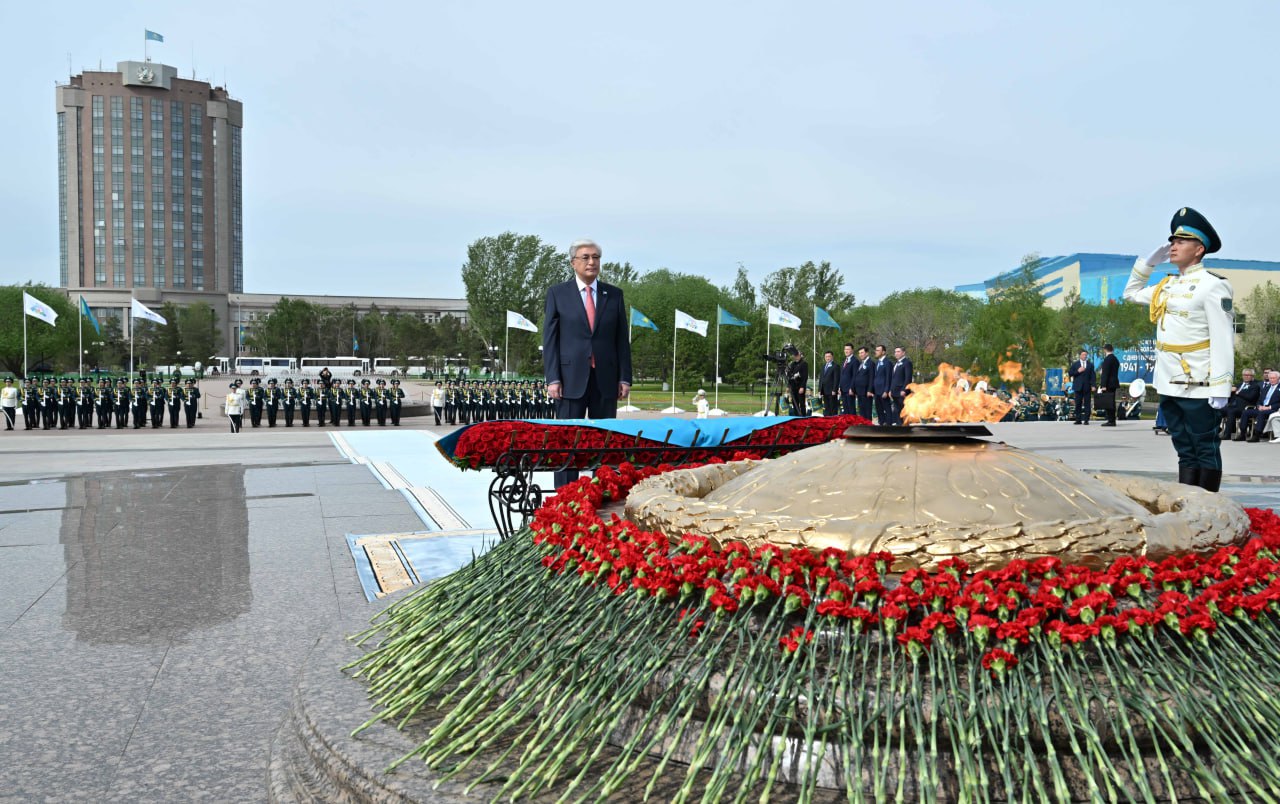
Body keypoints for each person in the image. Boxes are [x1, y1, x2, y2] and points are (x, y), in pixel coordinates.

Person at [1123, 207, 1233, 491]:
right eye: (1172, 241)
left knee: (1205, 447)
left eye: (1181, 241)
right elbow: (1130, 294)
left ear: (1199, 249)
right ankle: (1190, 505)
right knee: (1184, 447)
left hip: (1198, 383)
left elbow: (1222, 339)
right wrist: (1146, 265)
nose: (1173, 246)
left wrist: (1220, 388)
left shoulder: (1212, 286)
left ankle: (1210, 508)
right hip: (1168, 382)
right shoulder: (1167, 286)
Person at [543, 238, 633, 487]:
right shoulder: (558, 294)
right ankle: (564, 495)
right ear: (573, 263)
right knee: (566, 440)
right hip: (569, 380)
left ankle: (602, 492)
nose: (592, 262)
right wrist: (553, 378)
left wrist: (624, 377)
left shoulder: (614, 295)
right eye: (586, 257)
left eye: (596, 257)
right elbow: (550, 339)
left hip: (606, 379)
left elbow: (620, 339)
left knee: (603, 441)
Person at [1239, 370, 1280, 443]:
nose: (1272, 380)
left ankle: (1257, 435)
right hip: (1262, 408)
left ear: (1278, 378)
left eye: (1274, 378)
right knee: (1246, 412)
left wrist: (1269, 407)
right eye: (1270, 378)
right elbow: (1259, 399)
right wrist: (1259, 406)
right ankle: (1242, 434)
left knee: (1261, 414)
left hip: (1274, 409)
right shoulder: (1266, 387)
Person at [1224, 369, 1260, 440]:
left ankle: (1227, 434)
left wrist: (1238, 392)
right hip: (1232, 406)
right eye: (1244, 375)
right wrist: (1230, 392)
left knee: (1231, 412)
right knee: (1217, 410)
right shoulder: (1238, 385)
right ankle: (1215, 431)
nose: (1246, 376)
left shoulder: (1255, 386)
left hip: (1244, 408)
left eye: (1248, 375)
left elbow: (1251, 397)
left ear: (1252, 376)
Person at [1067, 350, 1096, 425]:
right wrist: (1078, 371)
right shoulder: (1075, 364)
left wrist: (1093, 385)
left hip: (1087, 387)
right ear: (1080, 355)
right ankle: (1078, 419)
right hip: (1078, 386)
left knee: (1087, 403)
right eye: (1083, 355)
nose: (1085, 356)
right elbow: (1070, 373)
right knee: (1078, 403)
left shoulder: (1090, 364)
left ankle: (1086, 420)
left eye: (1086, 355)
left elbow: (1093, 376)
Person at [890, 347, 914, 425]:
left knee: (903, 411)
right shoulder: (895, 364)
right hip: (894, 392)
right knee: (897, 411)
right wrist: (890, 390)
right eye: (895, 352)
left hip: (901, 392)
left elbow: (908, 378)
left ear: (903, 353)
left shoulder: (907, 363)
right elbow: (893, 379)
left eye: (898, 351)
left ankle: (905, 428)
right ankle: (899, 427)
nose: (896, 353)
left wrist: (904, 390)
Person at [871, 345, 892, 425]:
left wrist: (886, 390)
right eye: (876, 350)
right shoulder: (877, 363)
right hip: (877, 391)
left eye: (878, 350)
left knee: (887, 408)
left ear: (883, 352)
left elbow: (888, 377)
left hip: (883, 391)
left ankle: (889, 425)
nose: (876, 352)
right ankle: (881, 424)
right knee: (879, 409)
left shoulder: (888, 363)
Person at [785, 346, 809, 416]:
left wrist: (802, 387)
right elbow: (789, 376)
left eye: (797, 355)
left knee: (801, 403)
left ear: (800, 355)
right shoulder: (792, 364)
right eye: (795, 355)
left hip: (800, 386)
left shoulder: (804, 364)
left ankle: (803, 416)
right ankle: (796, 416)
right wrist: (788, 386)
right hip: (793, 386)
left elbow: (805, 377)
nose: (796, 357)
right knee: (794, 402)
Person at [819, 350, 839, 416]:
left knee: (832, 407)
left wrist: (834, 390)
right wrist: (820, 390)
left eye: (829, 356)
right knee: (826, 407)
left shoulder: (835, 366)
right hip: (824, 391)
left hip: (831, 391)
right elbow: (821, 379)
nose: (827, 358)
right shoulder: (823, 366)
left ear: (832, 357)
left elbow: (836, 379)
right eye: (826, 356)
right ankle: (827, 421)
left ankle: (833, 422)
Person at [838, 343, 856, 415]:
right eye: (845, 349)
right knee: (845, 410)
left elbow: (854, 376)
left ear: (852, 350)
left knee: (851, 409)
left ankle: (853, 425)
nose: (846, 351)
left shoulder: (855, 361)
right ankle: (847, 424)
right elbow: (842, 375)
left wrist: (852, 388)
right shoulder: (844, 361)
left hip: (849, 390)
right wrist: (839, 387)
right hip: (843, 389)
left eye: (848, 349)